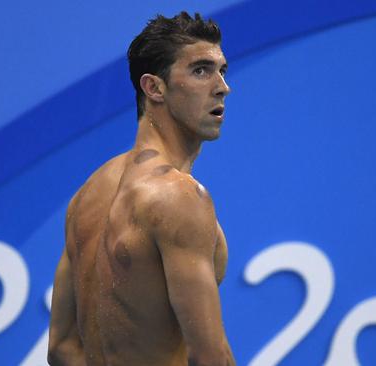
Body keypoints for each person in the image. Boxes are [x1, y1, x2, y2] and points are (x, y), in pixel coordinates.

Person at [47, 11, 235, 366]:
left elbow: (62, 349)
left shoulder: (88, 194)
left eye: (221, 70)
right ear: (154, 88)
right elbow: (210, 356)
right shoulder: (179, 198)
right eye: (200, 70)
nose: (222, 86)